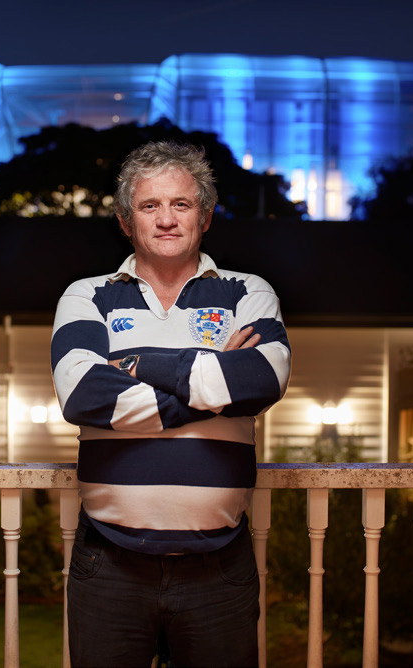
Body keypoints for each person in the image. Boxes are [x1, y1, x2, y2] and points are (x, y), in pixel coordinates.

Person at [51, 140, 291, 667]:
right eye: (149, 205)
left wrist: (134, 365)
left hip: (219, 572)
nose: (166, 219)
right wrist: (215, 384)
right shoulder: (87, 295)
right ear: (125, 220)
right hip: (109, 566)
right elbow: (82, 393)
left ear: (205, 216)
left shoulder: (247, 292)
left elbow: (263, 377)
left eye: (181, 204)